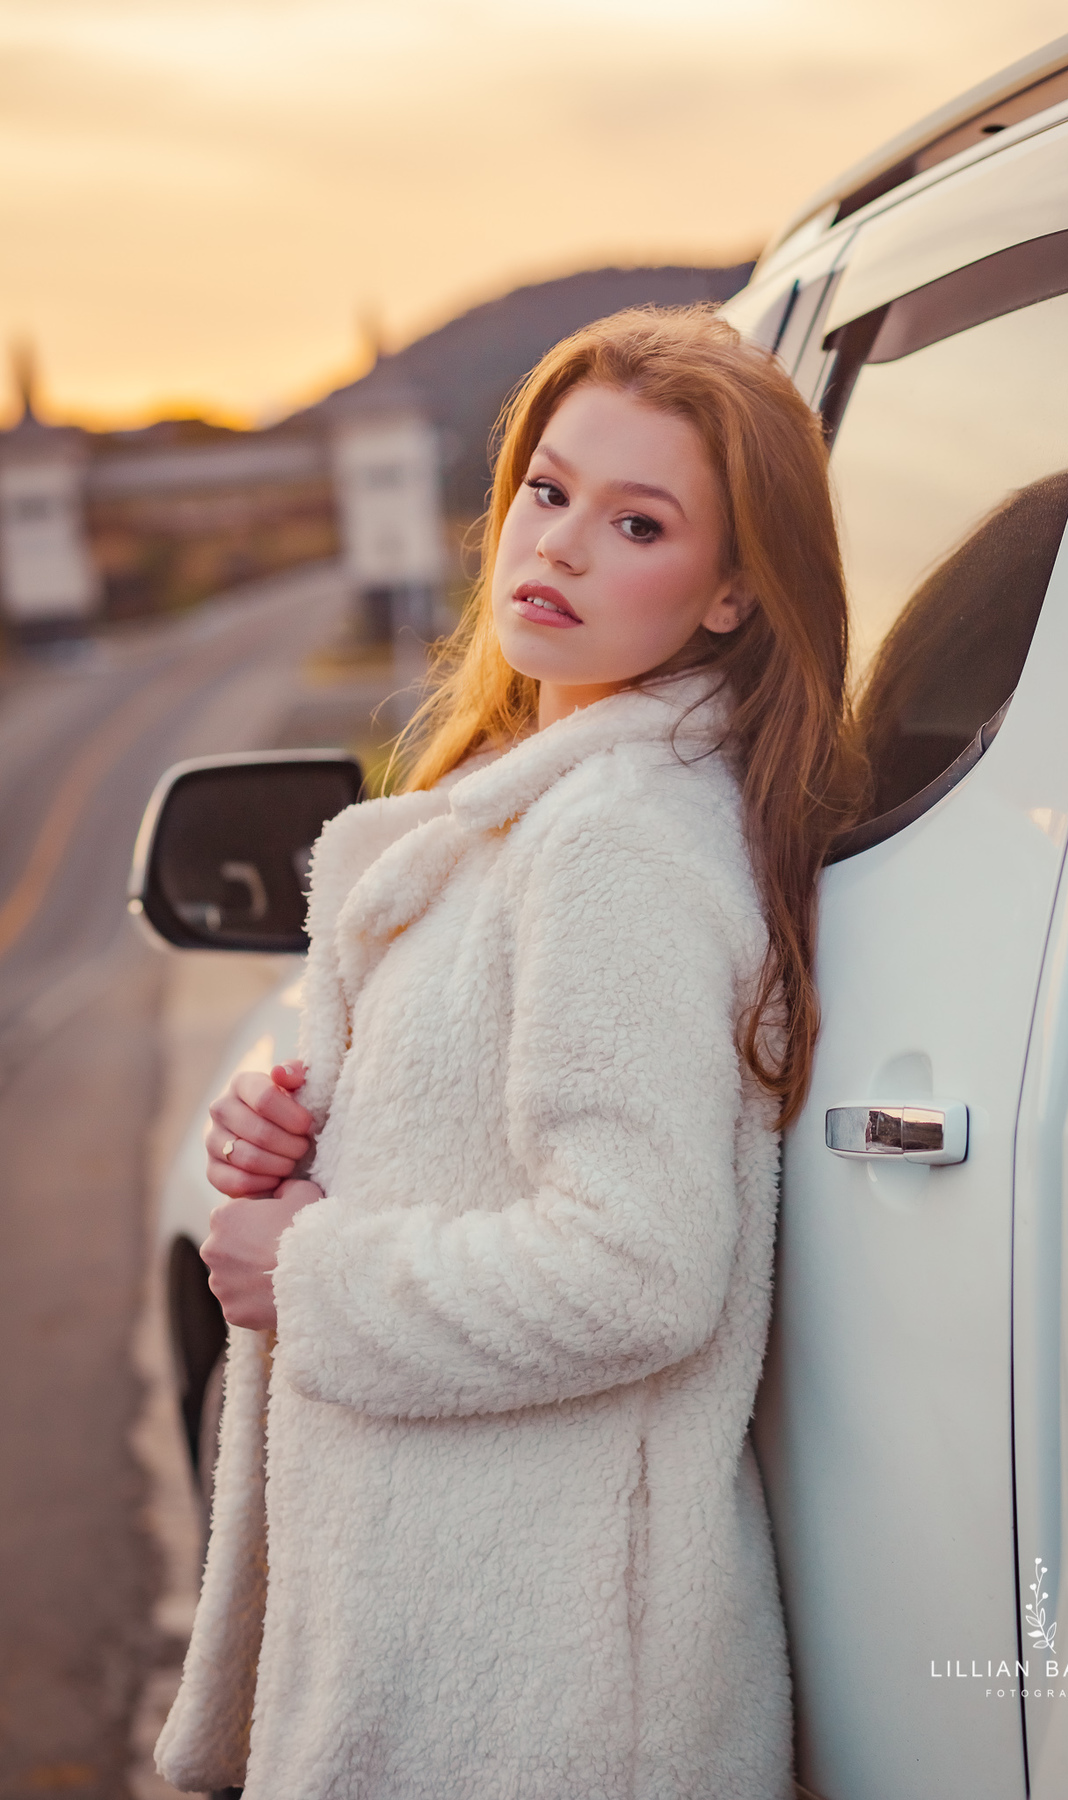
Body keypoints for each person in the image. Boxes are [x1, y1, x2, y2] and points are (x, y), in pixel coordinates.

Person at [156, 306, 858, 1800]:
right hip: (465, 1642)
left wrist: (312, 1275)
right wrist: (309, 1141)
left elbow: (636, 1265)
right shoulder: (534, 812)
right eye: (548, 490)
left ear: (732, 594)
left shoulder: (617, 844)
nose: (561, 547)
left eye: (638, 523)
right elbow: (489, 1141)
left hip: (541, 1695)